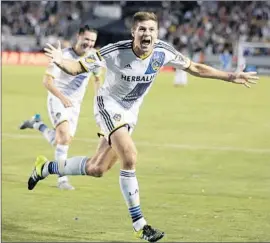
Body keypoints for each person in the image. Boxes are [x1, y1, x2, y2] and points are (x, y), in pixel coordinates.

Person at [27, 12, 258, 242]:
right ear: (133, 33)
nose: (147, 34)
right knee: (130, 156)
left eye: (151, 30)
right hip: (108, 105)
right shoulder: (115, 51)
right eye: (142, 29)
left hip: (129, 114)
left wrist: (229, 76)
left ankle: (45, 168)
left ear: (157, 33)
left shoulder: (162, 52)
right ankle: (140, 225)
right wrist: (59, 60)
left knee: (97, 168)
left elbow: (195, 68)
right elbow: (77, 67)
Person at [20, 25, 101, 190]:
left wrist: (99, 99)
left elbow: (98, 79)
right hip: (58, 98)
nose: (89, 43)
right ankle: (62, 180)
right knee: (63, 137)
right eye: (86, 39)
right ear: (78, 36)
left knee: (61, 141)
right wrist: (62, 98)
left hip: (74, 105)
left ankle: (37, 123)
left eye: (92, 40)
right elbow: (47, 81)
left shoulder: (93, 58)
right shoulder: (62, 55)